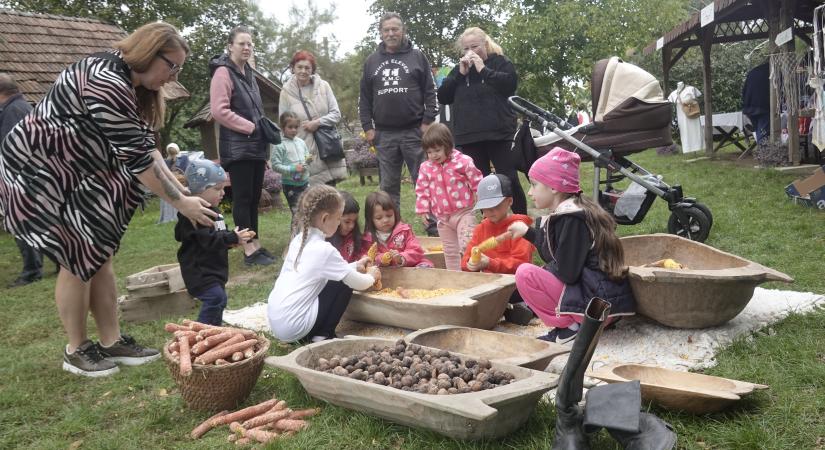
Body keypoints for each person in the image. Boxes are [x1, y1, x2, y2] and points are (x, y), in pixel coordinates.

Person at [0, 22, 217, 377]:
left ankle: (110, 340)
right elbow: (138, 160)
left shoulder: (132, 85)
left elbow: (148, 149)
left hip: (79, 174)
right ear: (149, 52)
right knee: (77, 256)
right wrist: (181, 203)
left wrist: (184, 195)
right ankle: (76, 349)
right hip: (40, 173)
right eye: (171, 65)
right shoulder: (106, 80)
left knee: (100, 255)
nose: (173, 74)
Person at [508, 148, 635, 344]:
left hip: (597, 308)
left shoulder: (572, 219)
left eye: (534, 184)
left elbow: (567, 272)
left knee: (525, 274)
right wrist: (529, 233)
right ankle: (578, 324)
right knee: (542, 271)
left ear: (553, 187)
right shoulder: (576, 211)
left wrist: (542, 259)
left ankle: (569, 328)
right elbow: (563, 257)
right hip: (604, 303)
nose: (529, 192)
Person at [268, 185, 381, 343]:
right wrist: (371, 276)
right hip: (296, 328)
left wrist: (356, 264)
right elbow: (358, 282)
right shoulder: (324, 250)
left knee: (339, 276)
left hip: (279, 324)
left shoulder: (299, 240)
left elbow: (328, 270)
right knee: (344, 282)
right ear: (324, 218)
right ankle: (323, 334)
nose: (338, 223)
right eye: (338, 218)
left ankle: (317, 332)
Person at [436, 27, 526, 215]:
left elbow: (509, 85)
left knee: (509, 179)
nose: (470, 52)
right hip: (470, 136)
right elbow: (443, 96)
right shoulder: (458, 71)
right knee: (481, 183)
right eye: (466, 48)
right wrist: (460, 74)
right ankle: (490, 224)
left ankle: (522, 221)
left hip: (500, 133)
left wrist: (483, 69)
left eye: (475, 46)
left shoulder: (500, 62)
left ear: (485, 44)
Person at [209, 25, 274, 266]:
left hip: (255, 147)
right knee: (243, 198)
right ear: (230, 46)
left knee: (254, 198)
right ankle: (248, 249)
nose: (246, 48)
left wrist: (262, 139)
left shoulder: (248, 73)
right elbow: (219, 110)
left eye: (249, 44)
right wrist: (250, 127)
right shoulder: (223, 73)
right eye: (241, 44)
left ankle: (255, 243)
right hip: (238, 148)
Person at [359, 12, 438, 209]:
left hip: (415, 132)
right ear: (380, 33)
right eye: (386, 30)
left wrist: (427, 122)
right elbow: (364, 98)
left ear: (403, 31)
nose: (391, 33)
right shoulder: (371, 61)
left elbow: (431, 91)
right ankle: (392, 230)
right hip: (384, 135)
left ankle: (434, 226)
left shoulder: (417, 56)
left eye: (395, 29)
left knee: (424, 181)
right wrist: (368, 127)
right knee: (388, 187)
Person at [176, 160, 255, 325]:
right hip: (200, 271)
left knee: (219, 300)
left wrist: (232, 239)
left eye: (223, 188)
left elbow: (219, 233)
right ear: (199, 191)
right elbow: (207, 239)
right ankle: (200, 331)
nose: (223, 193)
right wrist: (231, 238)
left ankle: (214, 328)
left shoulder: (215, 212)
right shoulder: (194, 215)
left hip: (214, 270)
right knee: (215, 298)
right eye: (217, 189)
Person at [461, 174, 536, 325]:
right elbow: (467, 259)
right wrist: (470, 263)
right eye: (485, 209)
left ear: (509, 201)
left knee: (521, 291)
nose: (489, 212)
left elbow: (521, 264)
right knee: (473, 292)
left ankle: (522, 307)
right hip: (490, 284)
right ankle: (505, 308)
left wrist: (490, 263)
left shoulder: (519, 227)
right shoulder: (481, 228)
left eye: (494, 207)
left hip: (514, 284)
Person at [414, 123, 482, 271]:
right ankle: (455, 277)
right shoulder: (426, 167)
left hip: (464, 212)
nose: (433, 155)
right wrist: (423, 209)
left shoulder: (463, 161)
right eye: (429, 152)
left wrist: (478, 192)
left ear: (448, 146)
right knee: (450, 251)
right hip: (443, 218)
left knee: (467, 244)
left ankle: (473, 272)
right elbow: (422, 189)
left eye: (437, 150)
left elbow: (476, 178)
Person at [0, 73, 43, 287]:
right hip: (33, 175)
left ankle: (32, 271)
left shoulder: (12, 112)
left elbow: (12, 149)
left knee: (21, 223)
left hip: (21, 178)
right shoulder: (23, 107)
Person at [278, 50, 347, 186]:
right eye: (299, 67)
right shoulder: (286, 93)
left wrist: (318, 122)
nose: (303, 71)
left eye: (307, 68)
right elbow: (283, 125)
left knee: (331, 194)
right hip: (303, 152)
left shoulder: (324, 86)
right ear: (293, 68)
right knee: (311, 198)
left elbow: (336, 114)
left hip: (327, 148)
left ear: (312, 70)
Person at [364, 190, 433, 268]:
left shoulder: (404, 231)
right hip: (384, 272)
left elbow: (416, 250)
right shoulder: (367, 239)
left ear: (395, 214)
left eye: (389, 215)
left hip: (409, 266)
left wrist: (401, 257)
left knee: (425, 264)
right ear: (370, 219)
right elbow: (365, 257)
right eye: (379, 218)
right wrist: (382, 258)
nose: (385, 220)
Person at [270, 111, 310, 218]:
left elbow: (307, 157)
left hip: (305, 182)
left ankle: (306, 234)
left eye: (296, 127)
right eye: (290, 127)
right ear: (283, 127)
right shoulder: (279, 145)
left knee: (309, 211)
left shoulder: (301, 142)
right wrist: (293, 168)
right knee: (297, 214)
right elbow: (275, 165)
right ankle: (295, 234)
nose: (294, 130)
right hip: (290, 185)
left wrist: (308, 161)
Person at [329, 191, 370, 263]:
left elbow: (358, 252)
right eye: (347, 222)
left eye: (354, 221)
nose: (352, 226)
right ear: (334, 218)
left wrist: (362, 257)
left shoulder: (353, 236)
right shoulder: (326, 244)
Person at [668, 81, 703, 153]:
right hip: (682, 116)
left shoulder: (692, 89)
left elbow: (697, 98)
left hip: (693, 113)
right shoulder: (673, 94)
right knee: (685, 132)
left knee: (695, 130)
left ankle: (698, 146)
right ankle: (688, 148)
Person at [742, 63, 770, 142]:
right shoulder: (770, 71)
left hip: (749, 107)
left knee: (759, 131)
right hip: (762, 107)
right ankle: (763, 152)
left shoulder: (754, 71)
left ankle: (763, 151)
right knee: (763, 133)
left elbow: (744, 90)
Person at [158, 142, 182, 224]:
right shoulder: (167, 161)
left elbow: (183, 170)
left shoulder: (182, 159)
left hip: (179, 182)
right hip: (170, 182)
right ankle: (170, 215)